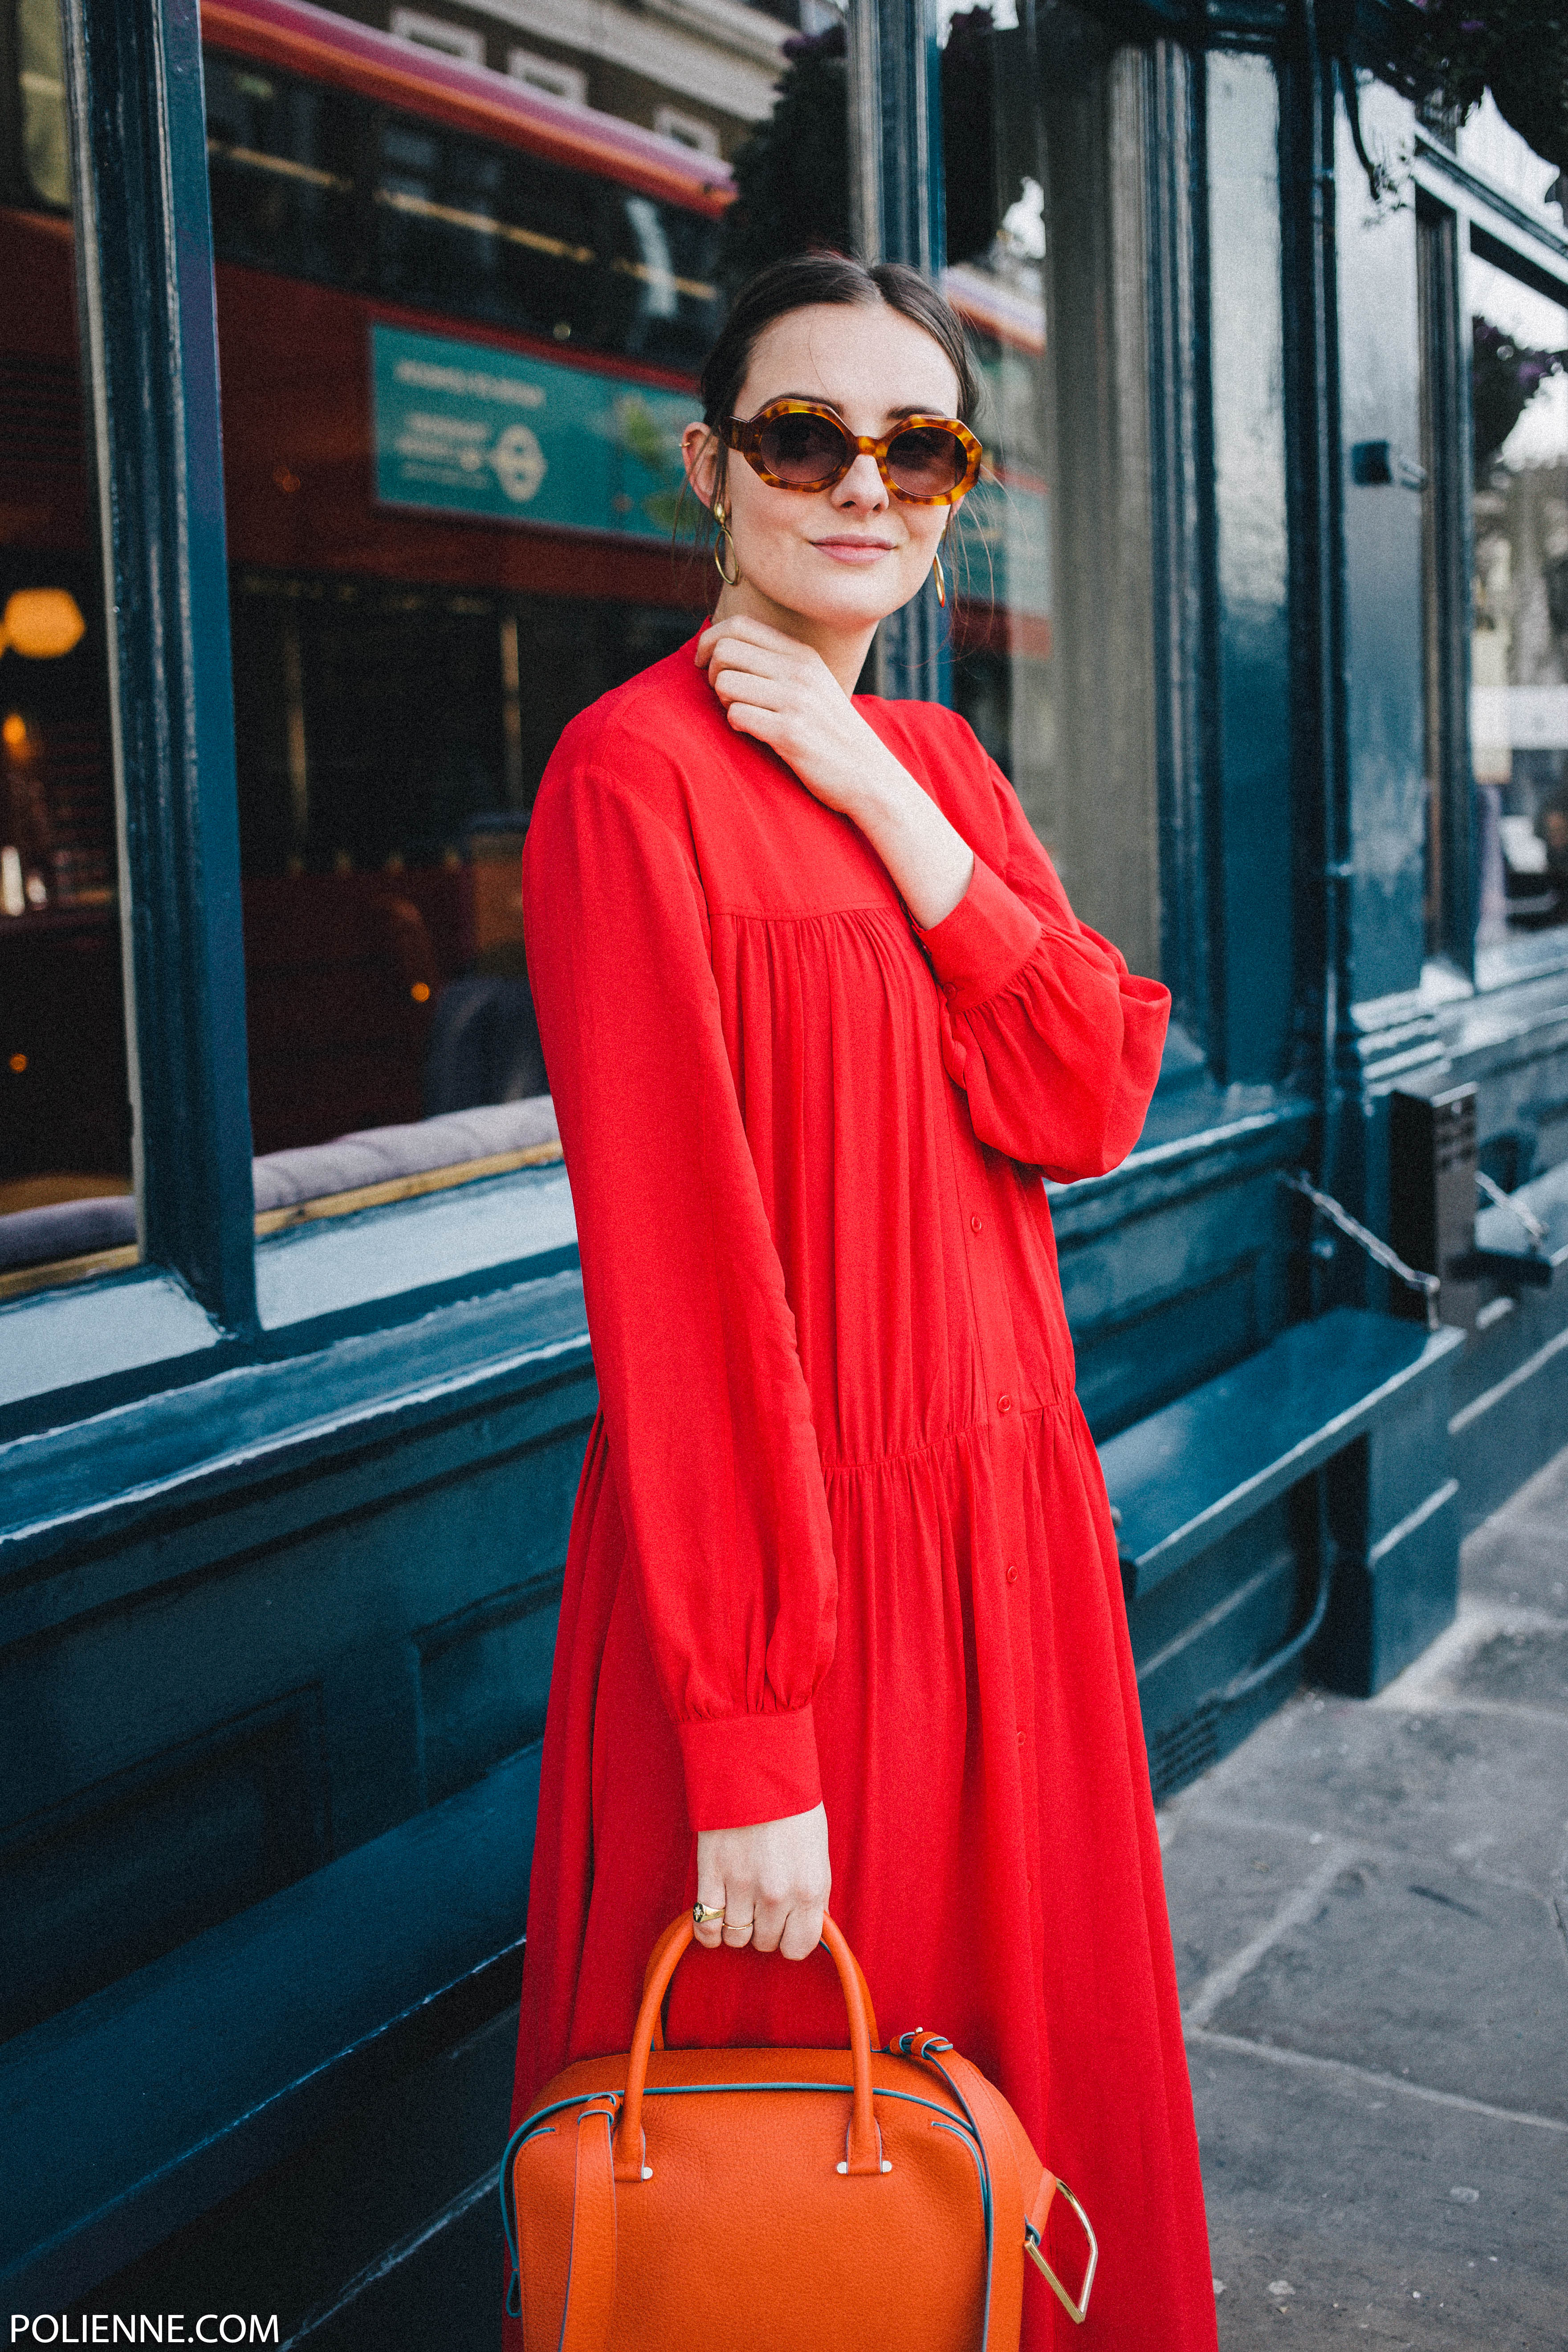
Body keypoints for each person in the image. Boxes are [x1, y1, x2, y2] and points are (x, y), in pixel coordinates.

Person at [507, 252, 1218, 2348]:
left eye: (918, 448)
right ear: (711, 470)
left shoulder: (940, 759)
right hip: (807, 1591)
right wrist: (746, 1734)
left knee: (1018, 2152)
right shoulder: (624, 783)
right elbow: (681, 1281)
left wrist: (879, 788)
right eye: (805, 438)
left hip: (1013, 1548)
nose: (862, 486)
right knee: (800, 2192)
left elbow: (1088, 1084)